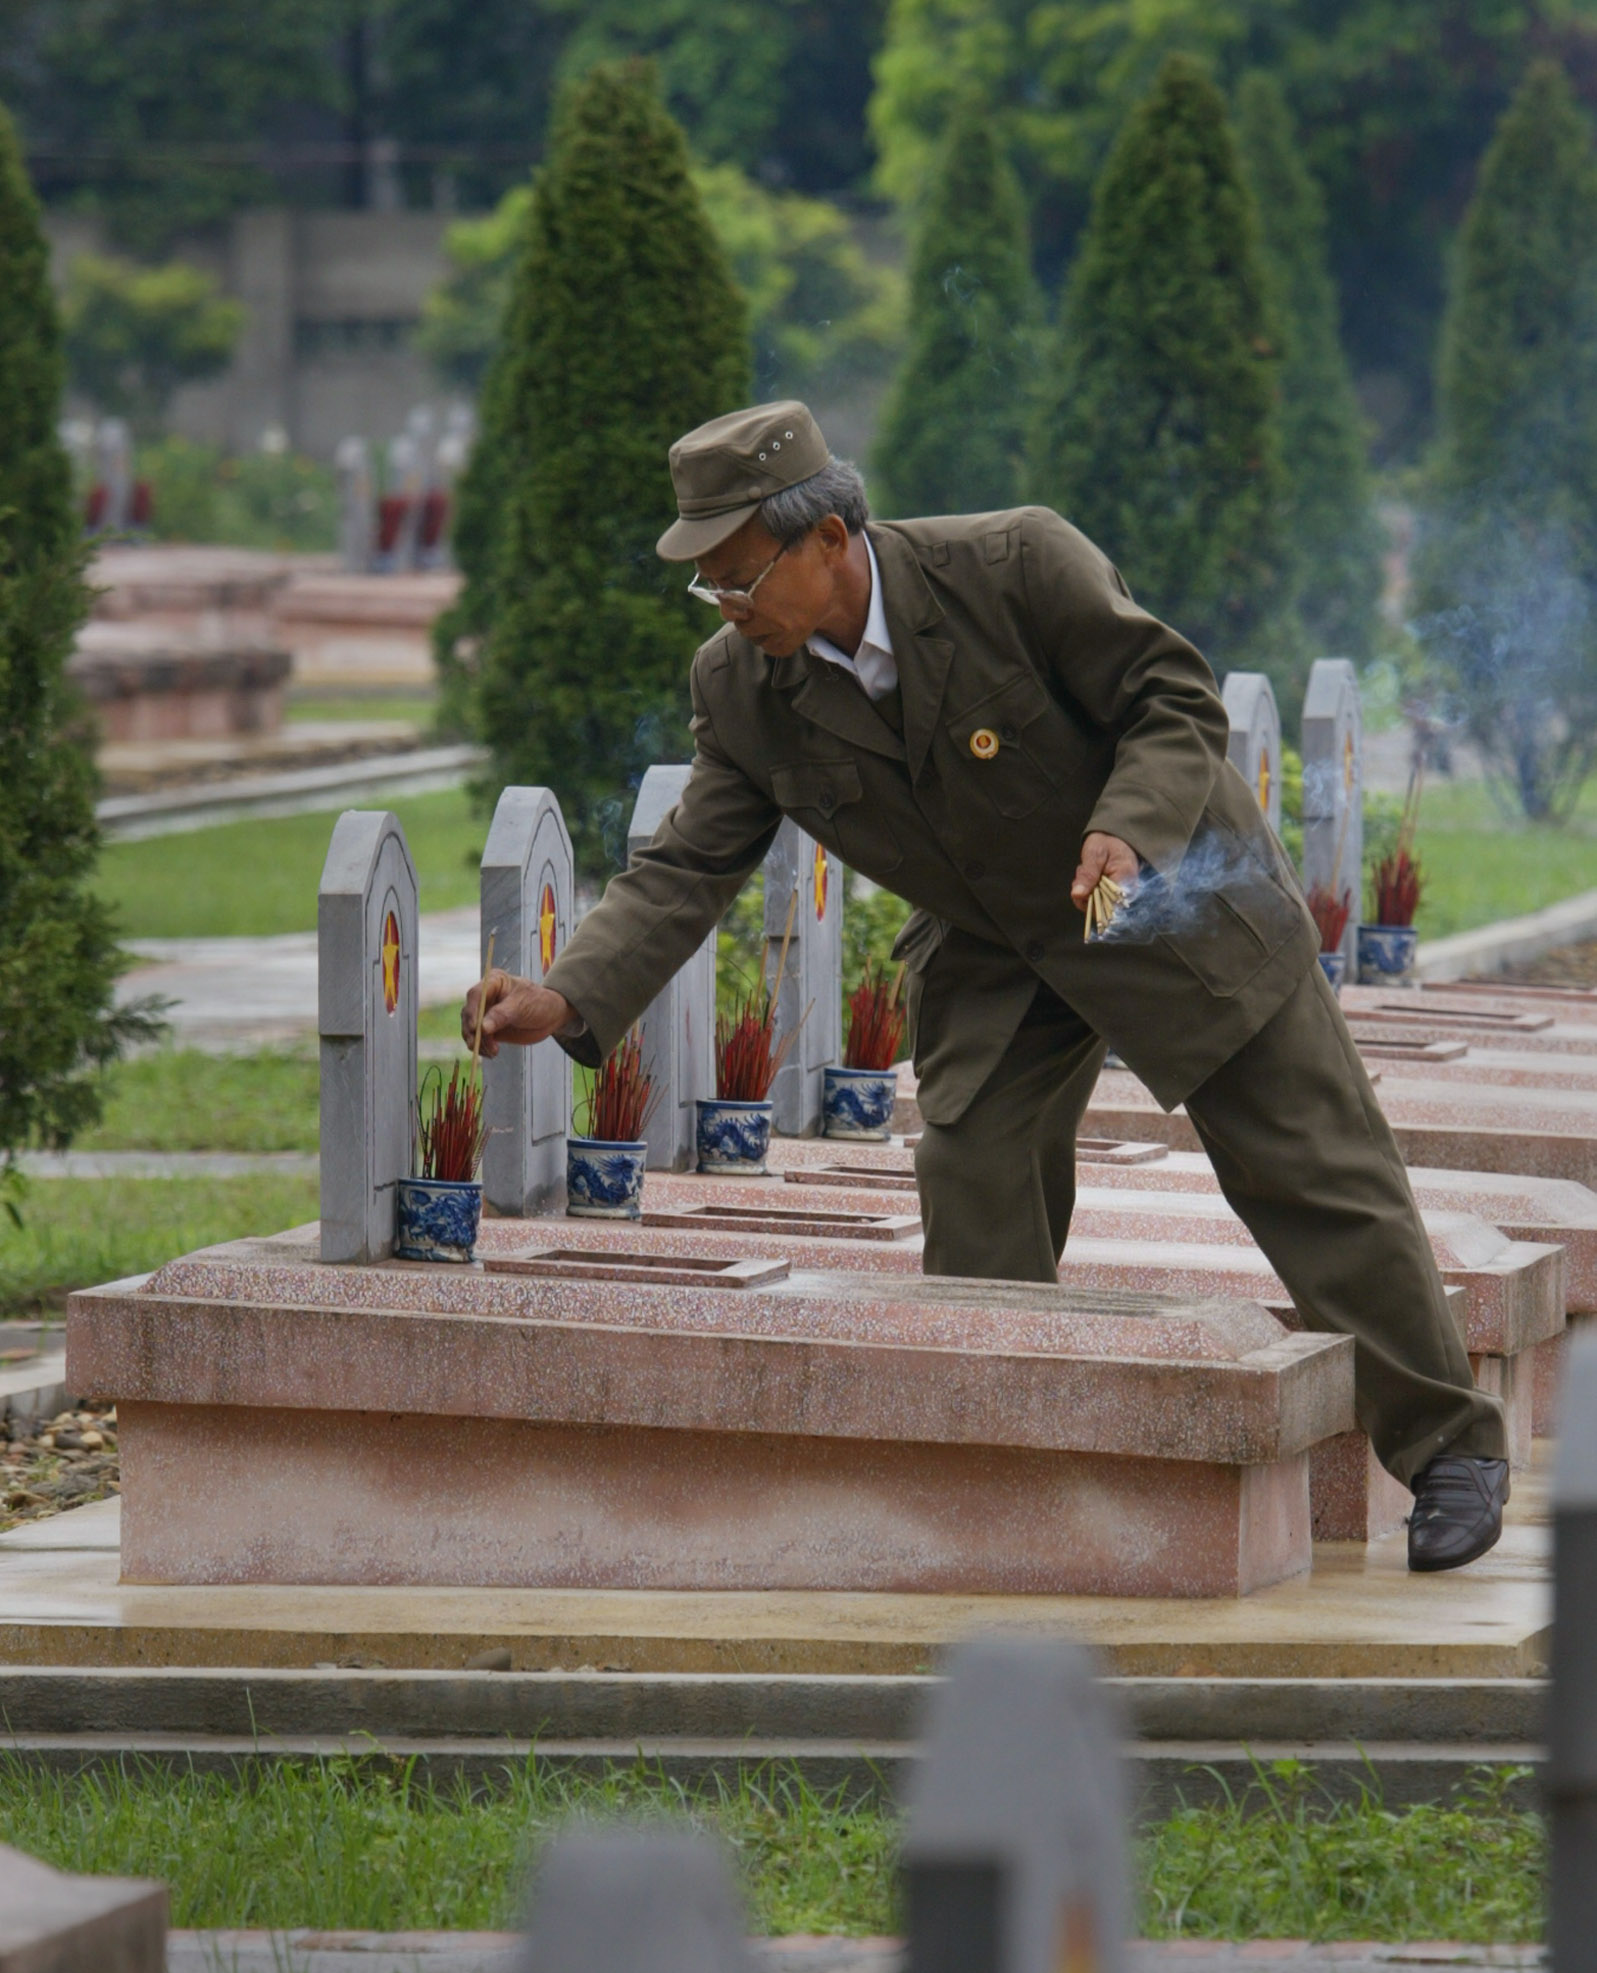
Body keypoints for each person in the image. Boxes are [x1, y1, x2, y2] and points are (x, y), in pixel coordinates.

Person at [463, 400, 1510, 1574]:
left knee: (1312, 1169)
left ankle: (1449, 1449)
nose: (726, 605)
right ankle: (1005, 1470)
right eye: (707, 585)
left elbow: (1172, 698)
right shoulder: (742, 689)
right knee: (970, 1165)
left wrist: (1127, 830)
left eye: (738, 573)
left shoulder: (1015, 564)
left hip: (1159, 892)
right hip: (997, 943)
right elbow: (689, 860)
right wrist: (566, 994)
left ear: (827, 536)